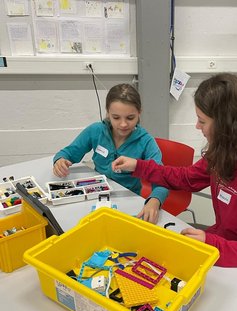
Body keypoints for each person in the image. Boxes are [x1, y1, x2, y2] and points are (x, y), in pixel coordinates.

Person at [112, 73, 237, 273]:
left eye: (202, 121)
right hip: (224, 246)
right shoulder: (226, 148)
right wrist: (139, 166)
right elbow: (187, 178)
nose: (197, 126)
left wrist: (215, 245)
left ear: (226, 124)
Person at [53, 83, 168, 224]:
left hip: (129, 200)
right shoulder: (95, 131)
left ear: (139, 113)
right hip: (95, 195)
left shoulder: (146, 142)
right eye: (116, 117)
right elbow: (68, 152)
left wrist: (154, 200)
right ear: (107, 113)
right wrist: (60, 160)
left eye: (130, 118)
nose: (123, 124)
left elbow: (162, 179)